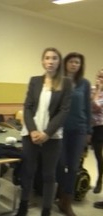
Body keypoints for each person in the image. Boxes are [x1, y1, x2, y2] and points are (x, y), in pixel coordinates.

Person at [16, 47, 72, 216]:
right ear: (42, 61)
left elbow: (64, 111)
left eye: (54, 58)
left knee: (49, 175)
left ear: (59, 62)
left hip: (52, 136)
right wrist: (33, 130)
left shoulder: (66, 83)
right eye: (47, 58)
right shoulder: (34, 81)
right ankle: (23, 206)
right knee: (28, 172)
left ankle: (46, 210)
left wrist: (47, 133)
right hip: (30, 135)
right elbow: (27, 107)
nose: (50, 61)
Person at [56, 52, 92, 216]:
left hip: (79, 129)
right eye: (72, 61)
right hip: (61, 129)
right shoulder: (58, 82)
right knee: (59, 163)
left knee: (73, 166)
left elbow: (87, 107)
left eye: (77, 62)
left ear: (80, 65)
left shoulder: (84, 83)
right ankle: (62, 193)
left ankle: (66, 202)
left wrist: (89, 130)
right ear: (66, 64)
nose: (74, 65)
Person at [91, 68, 103, 209]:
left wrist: (98, 92)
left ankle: (100, 180)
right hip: (90, 128)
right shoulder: (91, 88)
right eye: (99, 75)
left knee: (100, 156)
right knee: (95, 155)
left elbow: (96, 106)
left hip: (101, 127)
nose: (100, 78)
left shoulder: (97, 91)